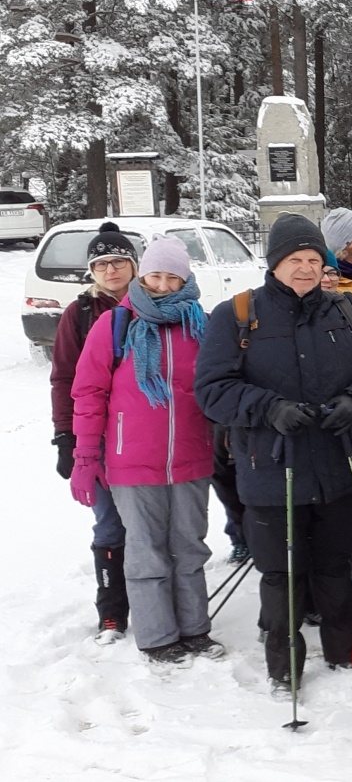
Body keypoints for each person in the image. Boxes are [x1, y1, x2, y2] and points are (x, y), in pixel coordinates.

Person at [195, 213, 352, 692]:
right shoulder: (237, 314)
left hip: (337, 461)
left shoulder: (345, 312)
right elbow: (211, 389)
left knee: (334, 565)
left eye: (314, 259)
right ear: (275, 264)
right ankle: (283, 665)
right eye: (295, 259)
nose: (306, 268)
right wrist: (268, 408)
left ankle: (343, 651)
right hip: (270, 467)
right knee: (281, 573)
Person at [70, 238, 223, 666]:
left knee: (190, 547)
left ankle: (194, 630)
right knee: (146, 550)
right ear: (142, 275)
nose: (163, 284)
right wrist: (85, 458)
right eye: (156, 275)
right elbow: (87, 393)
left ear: (186, 279)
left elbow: (219, 385)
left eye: (173, 276)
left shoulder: (202, 325)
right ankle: (158, 638)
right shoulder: (115, 325)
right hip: (131, 460)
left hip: (191, 457)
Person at [51, 221, 137, 643]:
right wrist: (65, 436)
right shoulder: (80, 314)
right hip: (97, 435)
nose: (111, 270)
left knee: (153, 523)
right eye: (101, 263)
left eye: (119, 260)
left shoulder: (155, 302)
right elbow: (64, 377)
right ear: (92, 271)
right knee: (109, 524)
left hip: (145, 435)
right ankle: (112, 611)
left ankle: (157, 598)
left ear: (134, 265)